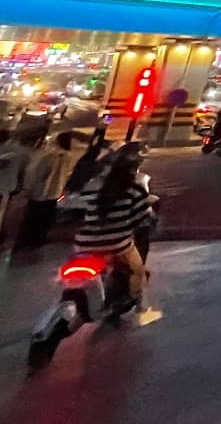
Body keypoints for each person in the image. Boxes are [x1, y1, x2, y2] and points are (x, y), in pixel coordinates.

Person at [74, 143, 161, 325]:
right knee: (139, 272)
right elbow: (142, 219)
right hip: (118, 244)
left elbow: (79, 206)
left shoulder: (93, 186)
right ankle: (140, 306)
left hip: (84, 244)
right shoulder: (135, 189)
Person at [15, 131, 80, 251]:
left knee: (32, 217)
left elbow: (38, 172)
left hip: (40, 192)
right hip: (55, 191)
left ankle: (28, 240)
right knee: (46, 217)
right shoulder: (68, 156)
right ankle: (40, 238)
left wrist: (28, 188)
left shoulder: (49, 155)